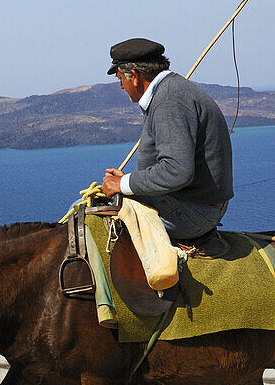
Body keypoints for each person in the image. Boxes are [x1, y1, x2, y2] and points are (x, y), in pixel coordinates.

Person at [100, 38, 233, 241]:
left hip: (193, 211)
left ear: (134, 76)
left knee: (99, 224)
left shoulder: (169, 101)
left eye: (120, 79)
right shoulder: (170, 91)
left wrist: (124, 183)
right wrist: (128, 182)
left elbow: (177, 171)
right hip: (195, 202)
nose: (120, 86)